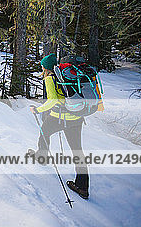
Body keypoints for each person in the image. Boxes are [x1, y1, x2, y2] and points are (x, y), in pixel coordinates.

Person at [30, 53, 90, 199]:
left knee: (44, 132)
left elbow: (53, 100)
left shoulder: (50, 78)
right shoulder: (65, 75)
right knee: (77, 150)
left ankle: (42, 157)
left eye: (43, 65)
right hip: (76, 117)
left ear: (46, 67)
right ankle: (82, 187)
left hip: (59, 117)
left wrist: (37, 109)